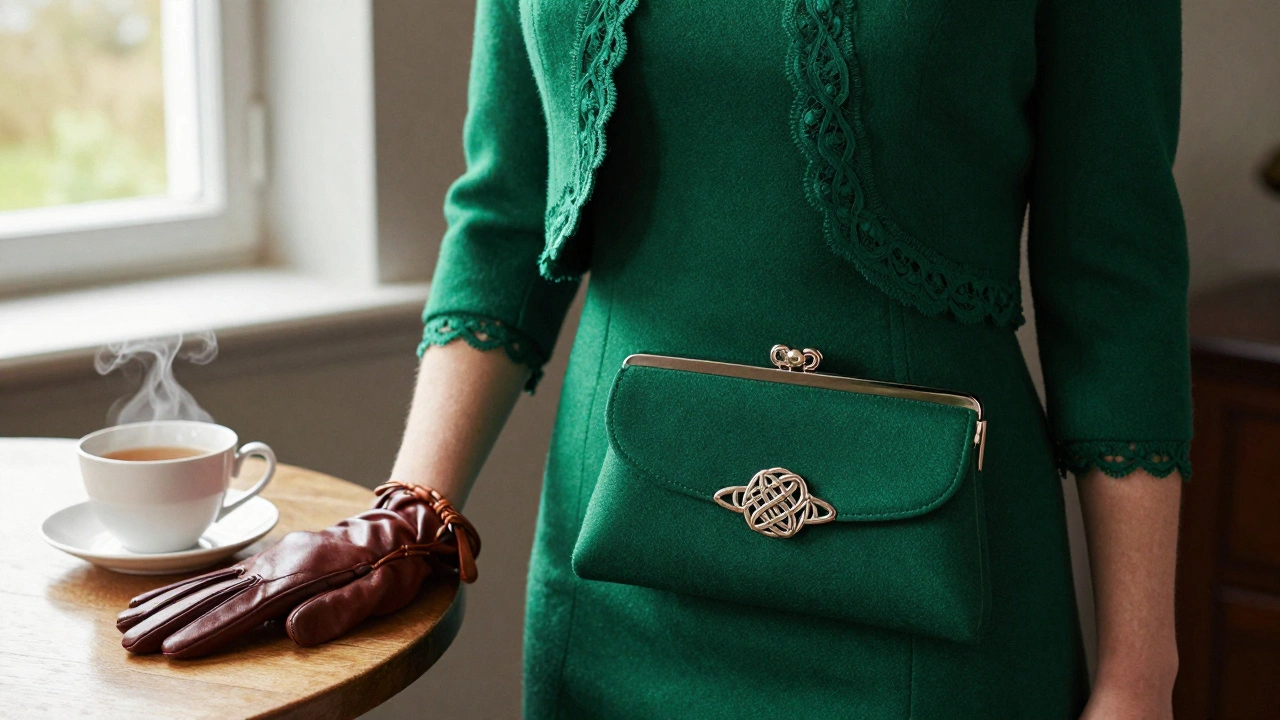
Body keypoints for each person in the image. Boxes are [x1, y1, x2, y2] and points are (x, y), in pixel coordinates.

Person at [121, 1, 1191, 717]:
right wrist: (406, 512)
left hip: (936, 600)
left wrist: (1139, 673)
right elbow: (505, 214)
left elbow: (1116, 284)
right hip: (618, 594)